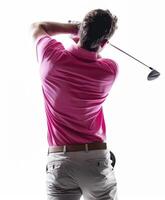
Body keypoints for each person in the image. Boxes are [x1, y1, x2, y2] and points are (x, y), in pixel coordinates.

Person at [31, 9, 119, 200]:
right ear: (103, 43)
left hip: (60, 161)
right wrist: (87, 38)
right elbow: (95, 59)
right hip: (95, 160)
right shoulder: (109, 71)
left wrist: (75, 29)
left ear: (81, 31)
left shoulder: (52, 59)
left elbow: (38, 27)